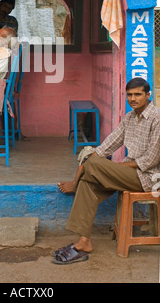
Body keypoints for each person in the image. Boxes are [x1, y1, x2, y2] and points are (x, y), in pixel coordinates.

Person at [53, 77, 160, 265]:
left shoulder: (157, 119)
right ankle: (83, 242)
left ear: (148, 95)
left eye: (137, 94)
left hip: (148, 178)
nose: (132, 99)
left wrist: (111, 168)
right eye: (129, 95)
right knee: (89, 175)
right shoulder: (129, 118)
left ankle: (73, 184)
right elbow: (105, 147)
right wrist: (98, 161)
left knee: (93, 163)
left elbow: (150, 161)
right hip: (126, 175)